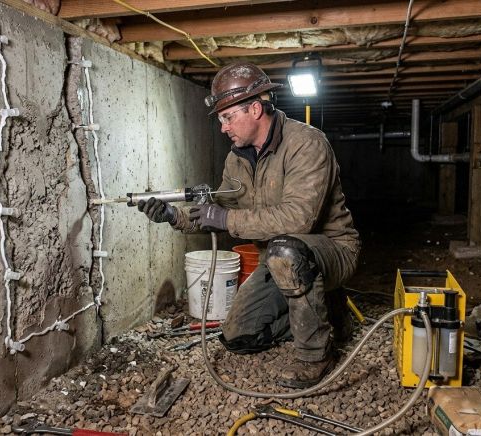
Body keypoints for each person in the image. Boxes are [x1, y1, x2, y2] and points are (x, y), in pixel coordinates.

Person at [137, 62, 360, 388]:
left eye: (228, 118)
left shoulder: (307, 144)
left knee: (287, 250)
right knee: (239, 336)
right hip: (280, 259)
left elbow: (299, 218)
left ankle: (315, 356)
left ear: (255, 109)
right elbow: (221, 211)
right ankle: (330, 315)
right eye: (222, 120)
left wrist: (225, 218)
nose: (223, 128)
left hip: (332, 251)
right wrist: (174, 216)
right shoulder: (237, 158)